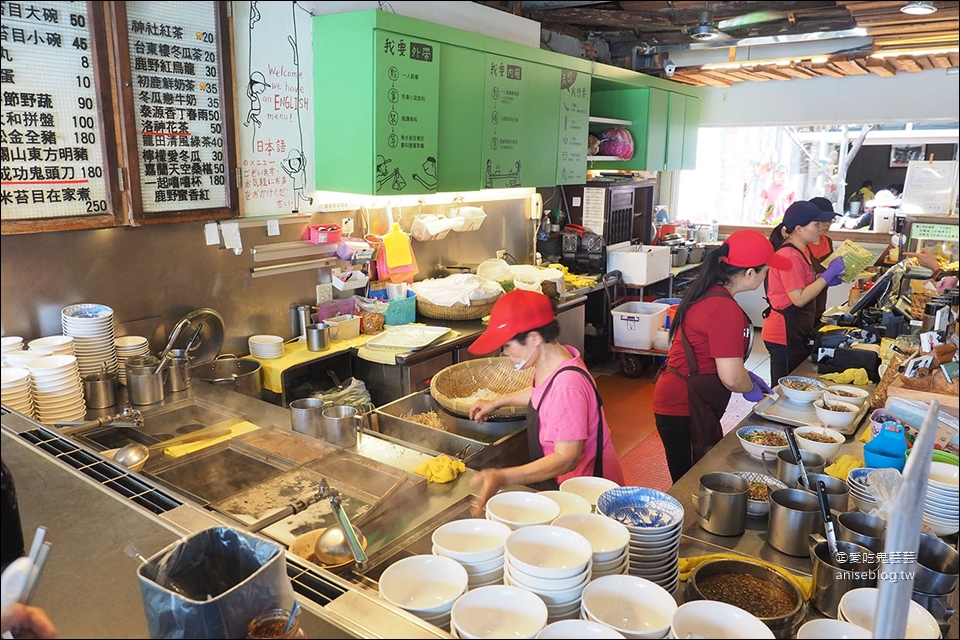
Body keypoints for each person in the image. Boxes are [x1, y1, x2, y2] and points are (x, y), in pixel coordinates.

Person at [465, 290, 625, 513]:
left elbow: (566, 459)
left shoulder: (568, 385)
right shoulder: (554, 362)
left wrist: (502, 477)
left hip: (589, 495)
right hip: (569, 485)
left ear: (534, 338)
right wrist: (496, 402)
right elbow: (542, 392)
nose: (505, 352)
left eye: (508, 345)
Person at [652, 230, 788, 482]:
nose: (767, 276)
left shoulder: (709, 292)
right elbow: (731, 378)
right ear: (749, 273)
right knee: (690, 482)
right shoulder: (724, 309)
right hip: (683, 406)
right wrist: (747, 385)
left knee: (691, 476)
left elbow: (714, 356)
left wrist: (745, 375)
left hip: (683, 400)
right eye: (765, 271)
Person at [762, 201, 847, 385]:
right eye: (816, 224)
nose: (820, 229)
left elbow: (803, 285)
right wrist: (826, 277)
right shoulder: (789, 255)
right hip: (783, 332)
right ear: (799, 229)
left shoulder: (801, 250)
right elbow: (798, 298)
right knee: (782, 388)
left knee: (794, 383)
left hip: (796, 328)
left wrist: (824, 280)